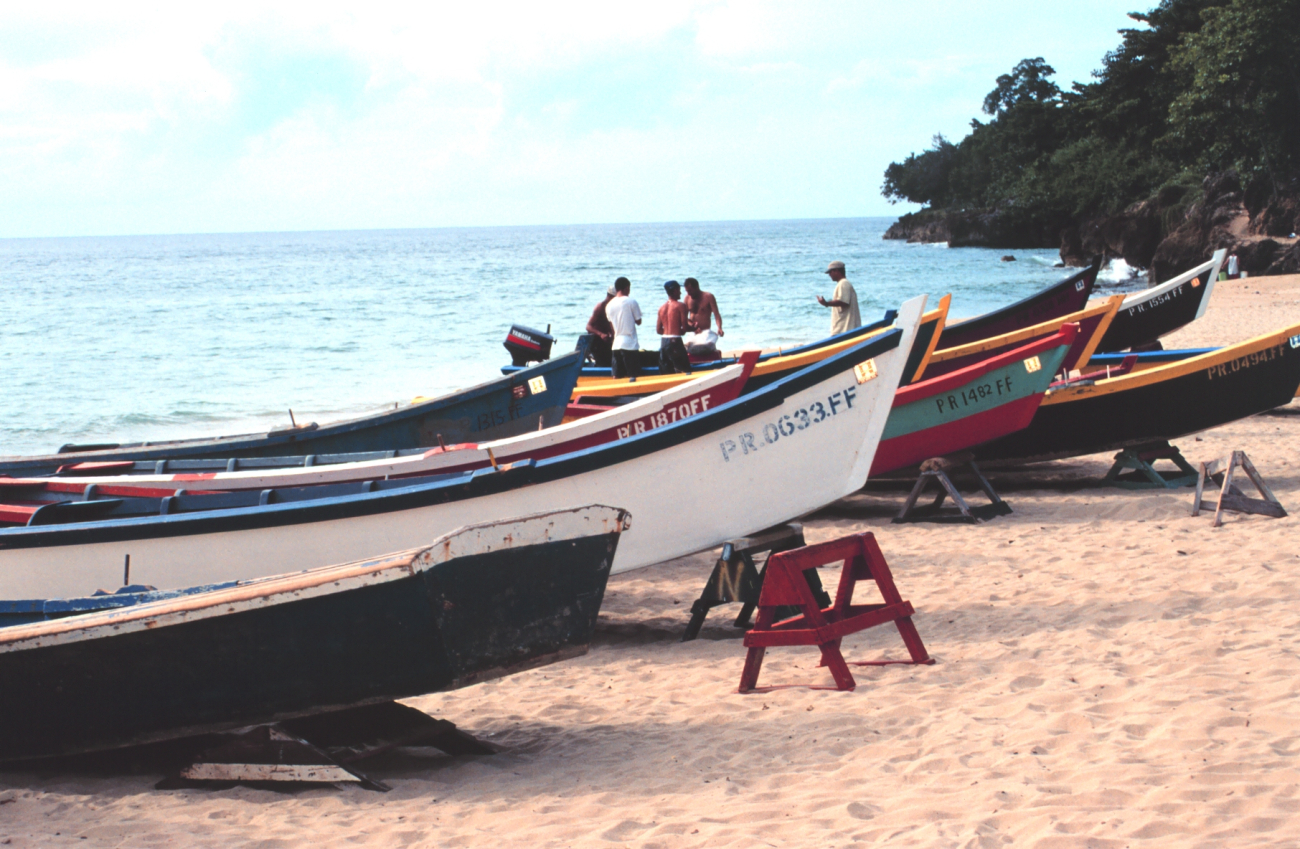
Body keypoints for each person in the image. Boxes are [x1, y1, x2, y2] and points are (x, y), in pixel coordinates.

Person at [605, 276, 642, 379]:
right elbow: (638, 321)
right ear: (626, 288)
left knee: (616, 375)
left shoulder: (609, 305)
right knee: (633, 374)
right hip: (630, 343)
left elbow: (611, 324)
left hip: (616, 343)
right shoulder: (631, 301)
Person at [656, 280, 692, 375]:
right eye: (679, 290)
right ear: (675, 291)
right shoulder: (681, 306)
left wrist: (669, 330)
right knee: (684, 370)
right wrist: (695, 328)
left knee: (666, 372)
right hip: (675, 342)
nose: (680, 292)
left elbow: (658, 330)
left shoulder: (661, 308)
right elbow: (684, 329)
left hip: (664, 342)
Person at [683, 277, 724, 356]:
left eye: (690, 290)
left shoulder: (708, 297)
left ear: (697, 287)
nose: (688, 293)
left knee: (705, 347)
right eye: (687, 291)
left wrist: (719, 327)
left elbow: (716, 314)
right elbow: (684, 318)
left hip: (705, 331)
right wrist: (692, 327)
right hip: (693, 332)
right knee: (687, 348)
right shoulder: (687, 298)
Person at [817, 260, 860, 334]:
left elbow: (843, 301)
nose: (829, 275)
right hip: (845, 330)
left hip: (845, 330)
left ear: (836, 271)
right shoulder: (843, 283)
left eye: (830, 272)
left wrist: (826, 303)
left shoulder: (843, 283)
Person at [585, 286, 617, 366]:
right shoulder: (600, 306)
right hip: (597, 342)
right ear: (609, 296)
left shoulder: (612, 308)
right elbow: (588, 326)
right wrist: (600, 334)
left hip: (607, 341)